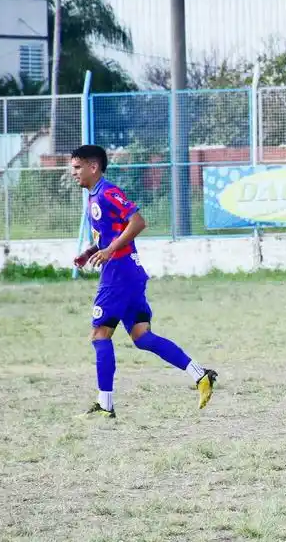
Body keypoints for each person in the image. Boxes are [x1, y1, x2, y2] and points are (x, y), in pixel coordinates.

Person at [71, 145, 217, 418]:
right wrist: (91, 251)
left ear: (94, 167)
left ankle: (105, 405)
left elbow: (137, 222)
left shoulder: (107, 192)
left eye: (77, 167)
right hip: (128, 273)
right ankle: (201, 375)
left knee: (100, 334)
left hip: (119, 274)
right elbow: (110, 233)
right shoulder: (94, 197)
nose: (73, 173)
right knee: (142, 337)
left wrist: (110, 250)